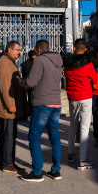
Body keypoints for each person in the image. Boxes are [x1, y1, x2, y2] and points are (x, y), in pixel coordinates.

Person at [19, 40, 64, 182]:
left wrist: (20, 81)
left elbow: (31, 82)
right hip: (56, 103)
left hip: (42, 103)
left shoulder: (39, 60)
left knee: (34, 137)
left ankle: (37, 172)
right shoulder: (58, 60)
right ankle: (56, 171)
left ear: (38, 50)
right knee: (55, 137)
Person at [0, 41, 26, 174]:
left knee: (4, 133)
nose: (19, 52)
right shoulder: (5, 62)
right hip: (7, 106)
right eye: (17, 49)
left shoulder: (7, 61)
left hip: (4, 104)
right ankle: (8, 163)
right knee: (9, 134)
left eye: (20, 50)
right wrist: (10, 104)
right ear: (9, 50)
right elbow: (5, 86)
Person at [64, 38, 97, 170]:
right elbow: (94, 79)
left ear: (74, 48)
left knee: (72, 125)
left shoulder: (68, 63)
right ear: (86, 50)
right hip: (85, 97)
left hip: (72, 97)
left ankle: (70, 154)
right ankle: (83, 160)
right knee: (84, 128)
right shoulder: (87, 64)